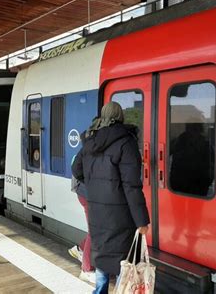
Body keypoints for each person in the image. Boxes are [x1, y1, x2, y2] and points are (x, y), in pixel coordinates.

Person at [72, 102, 150, 294]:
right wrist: (142, 221)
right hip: (120, 213)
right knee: (123, 259)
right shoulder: (126, 142)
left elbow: (76, 170)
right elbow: (131, 186)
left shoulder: (90, 140)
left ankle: (100, 291)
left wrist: (94, 185)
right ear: (120, 117)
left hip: (97, 209)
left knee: (102, 253)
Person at [69, 132, 95, 284]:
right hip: (87, 196)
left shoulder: (80, 154)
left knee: (95, 230)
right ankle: (86, 269)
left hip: (83, 195)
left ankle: (79, 249)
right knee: (94, 230)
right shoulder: (87, 155)